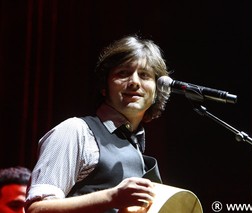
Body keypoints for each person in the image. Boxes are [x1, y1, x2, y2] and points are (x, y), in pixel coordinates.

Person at [26, 35, 171, 213]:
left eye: (144, 75)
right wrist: (111, 197)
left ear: (157, 91)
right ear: (104, 86)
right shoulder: (75, 130)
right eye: (123, 73)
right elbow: (36, 209)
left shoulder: (135, 150)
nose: (134, 82)